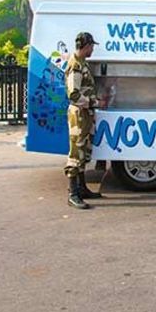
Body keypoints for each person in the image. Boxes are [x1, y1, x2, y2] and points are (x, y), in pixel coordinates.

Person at [64, 31, 102, 210]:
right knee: (76, 152)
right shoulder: (76, 66)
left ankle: (82, 188)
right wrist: (93, 102)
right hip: (79, 115)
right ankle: (72, 194)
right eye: (92, 46)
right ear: (86, 46)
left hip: (85, 114)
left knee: (84, 151)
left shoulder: (82, 64)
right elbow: (73, 95)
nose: (93, 49)